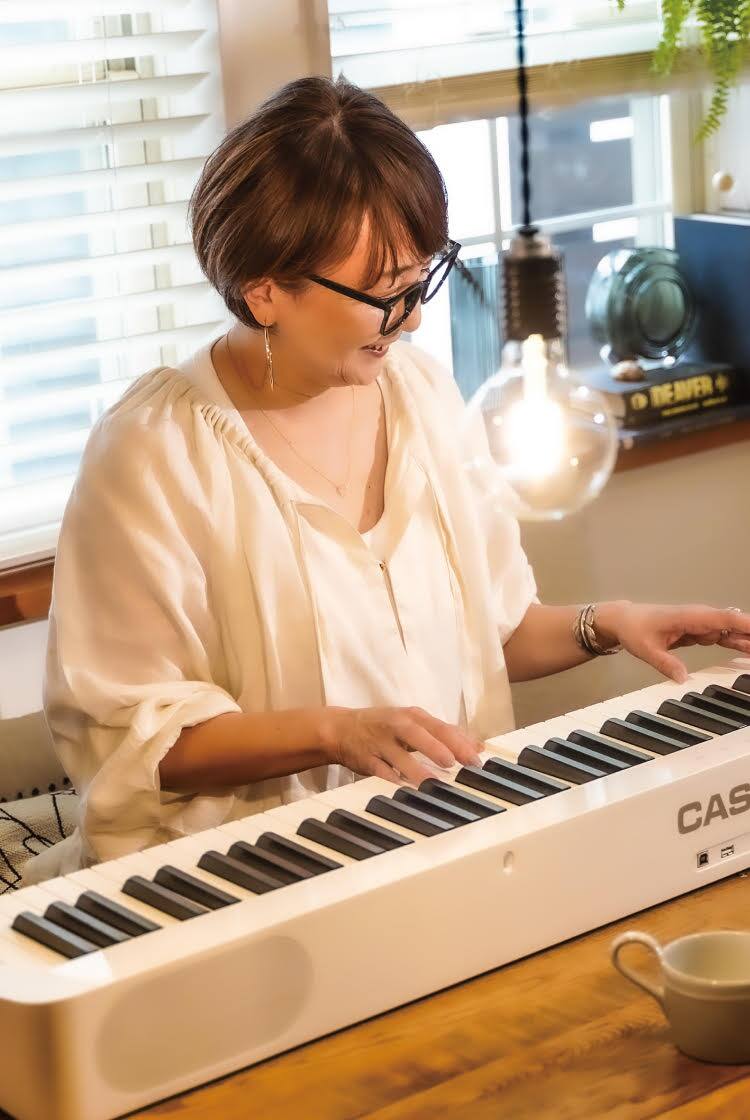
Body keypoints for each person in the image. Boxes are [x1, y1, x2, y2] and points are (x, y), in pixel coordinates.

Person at [24, 75, 750, 884]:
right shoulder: (153, 455)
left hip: (450, 852)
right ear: (266, 292)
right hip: (251, 891)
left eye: (421, 279)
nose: (413, 318)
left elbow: (494, 633)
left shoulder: (422, 395)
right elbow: (136, 744)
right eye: (384, 295)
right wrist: (334, 731)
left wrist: (611, 622)